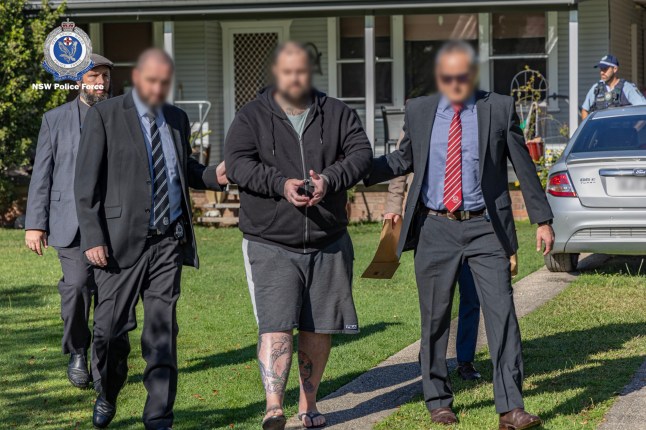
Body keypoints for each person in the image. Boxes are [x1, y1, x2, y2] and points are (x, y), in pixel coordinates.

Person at [364, 40, 554, 429]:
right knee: (434, 319)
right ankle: (438, 400)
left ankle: (510, 408)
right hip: (434, 227)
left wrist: (543, 219)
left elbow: (523, 165)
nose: (455, 83)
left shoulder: (498, 108)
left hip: (485, 227)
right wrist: (353, 170)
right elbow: (402, 160)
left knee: (502, 315)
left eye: (461, 77)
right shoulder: (419, 110)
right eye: (447, 77)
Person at [74, 48, 227, 429]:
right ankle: (107, 390)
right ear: (138, 78)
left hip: (167, 242)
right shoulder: (105, 116)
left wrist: (215, 175)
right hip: (117, 245)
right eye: (152, 81)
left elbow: (184, 167)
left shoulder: (177, 118)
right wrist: (93, 237)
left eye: (165, 82)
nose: (158, 89)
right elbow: (85, 184)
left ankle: (159, 416)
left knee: (162, 333)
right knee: (109, 333)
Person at [224, 41, 372, 430]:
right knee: (275, 323)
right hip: (271, 241)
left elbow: (360, 154)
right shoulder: (252, 116)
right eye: (288, 72)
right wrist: (280, 184)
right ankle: (274, 407)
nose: (296, 79)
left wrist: (330, 179)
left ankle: (309, 405)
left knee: (318, 326)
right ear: (277, 74)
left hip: (328, 240)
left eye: (302, 72)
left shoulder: (337, 112)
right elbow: (237, 164)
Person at [25, 53, 113, 390]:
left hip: (112, 223)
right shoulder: (55, 119)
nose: (101, 82)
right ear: (79, 80)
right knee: (76, 287)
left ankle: (103, 361)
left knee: (111, 298)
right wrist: (35, 223)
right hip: (70, 224)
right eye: (94, 76)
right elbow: (42, 175)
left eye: (105, 76)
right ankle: (78, 349)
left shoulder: (123, 116)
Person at [384, 148, 481, 382]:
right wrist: (394, 206)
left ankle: (465, 360)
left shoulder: (477, 115)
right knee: (436, 299)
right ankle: (431, 355)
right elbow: (401, 164)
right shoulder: (421, 113)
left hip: (474, 221)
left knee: (472, 294)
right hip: (432, 221)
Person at [581, 54, 646, 119]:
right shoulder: (596, 88)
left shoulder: (627, 88)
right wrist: (591, 128)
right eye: (601, 69)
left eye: (605, 69)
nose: (602, 72)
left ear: (615, 69)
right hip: (601, 128)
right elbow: (584, 110)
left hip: (622, 128)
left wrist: (635, 128)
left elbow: (643, 109)